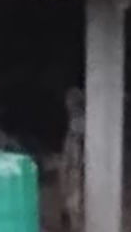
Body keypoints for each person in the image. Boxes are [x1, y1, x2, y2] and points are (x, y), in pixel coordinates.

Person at [59, 88, 85, 232]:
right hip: (73, 168)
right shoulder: (76, 122)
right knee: (71, 202)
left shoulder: (78, 123)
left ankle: (76, 227)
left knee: (73, 203)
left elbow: (75, 150)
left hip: (76, 169)